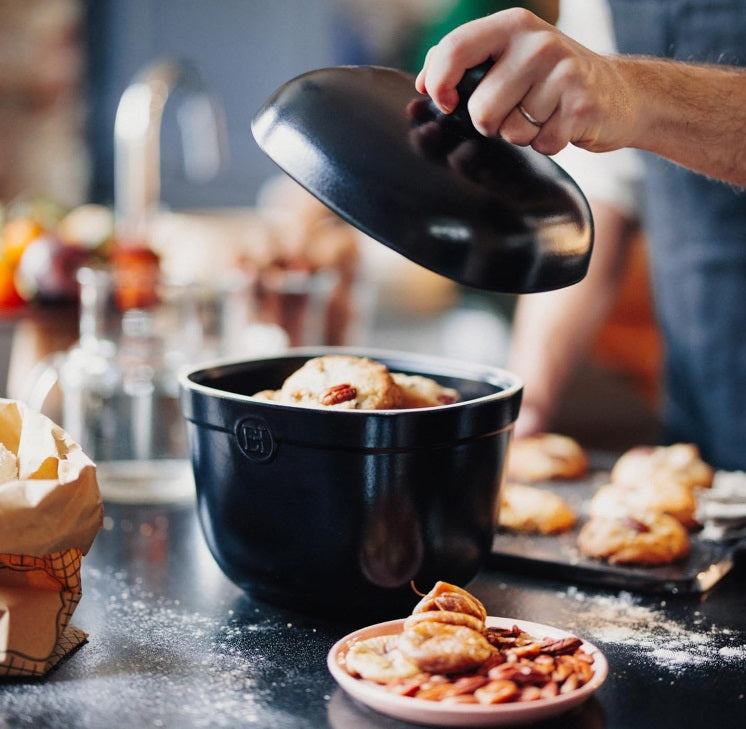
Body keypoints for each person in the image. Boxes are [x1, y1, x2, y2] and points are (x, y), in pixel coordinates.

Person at [415, 2, 746, 471]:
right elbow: (605, 181)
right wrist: (525, 400)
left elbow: (616, 97)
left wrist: (632, 91)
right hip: (705, 410)